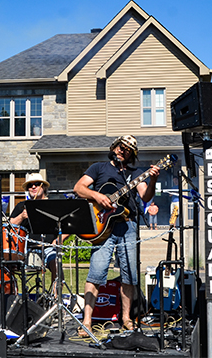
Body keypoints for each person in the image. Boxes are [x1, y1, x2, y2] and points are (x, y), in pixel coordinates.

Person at [73, 135, 160, 334]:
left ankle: (126, 318)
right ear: (115, 147)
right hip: (102, 227)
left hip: (127, 226)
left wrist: (153, 180)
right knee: (96, 273)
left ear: (132, 154)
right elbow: (79, 188)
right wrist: (98, 196)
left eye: (128, 149)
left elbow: (145, 196)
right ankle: (86, 321)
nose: (123, 151)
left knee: (130, 275)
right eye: (121, 147)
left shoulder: (136, 173)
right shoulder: (98, 168)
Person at [8, 173, 69, 284]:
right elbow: (10, 225)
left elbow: (69, 225)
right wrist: (21, 216)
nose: (33, 187)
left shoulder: (53, 205)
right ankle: (16, 297)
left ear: (44, 187)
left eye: (37, 184)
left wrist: (60, 239)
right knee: (6, 263)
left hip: (48, 247)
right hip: (25, 248)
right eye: (30, 185)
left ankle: (55, 298)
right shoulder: (22, 205)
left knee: (57, 265)